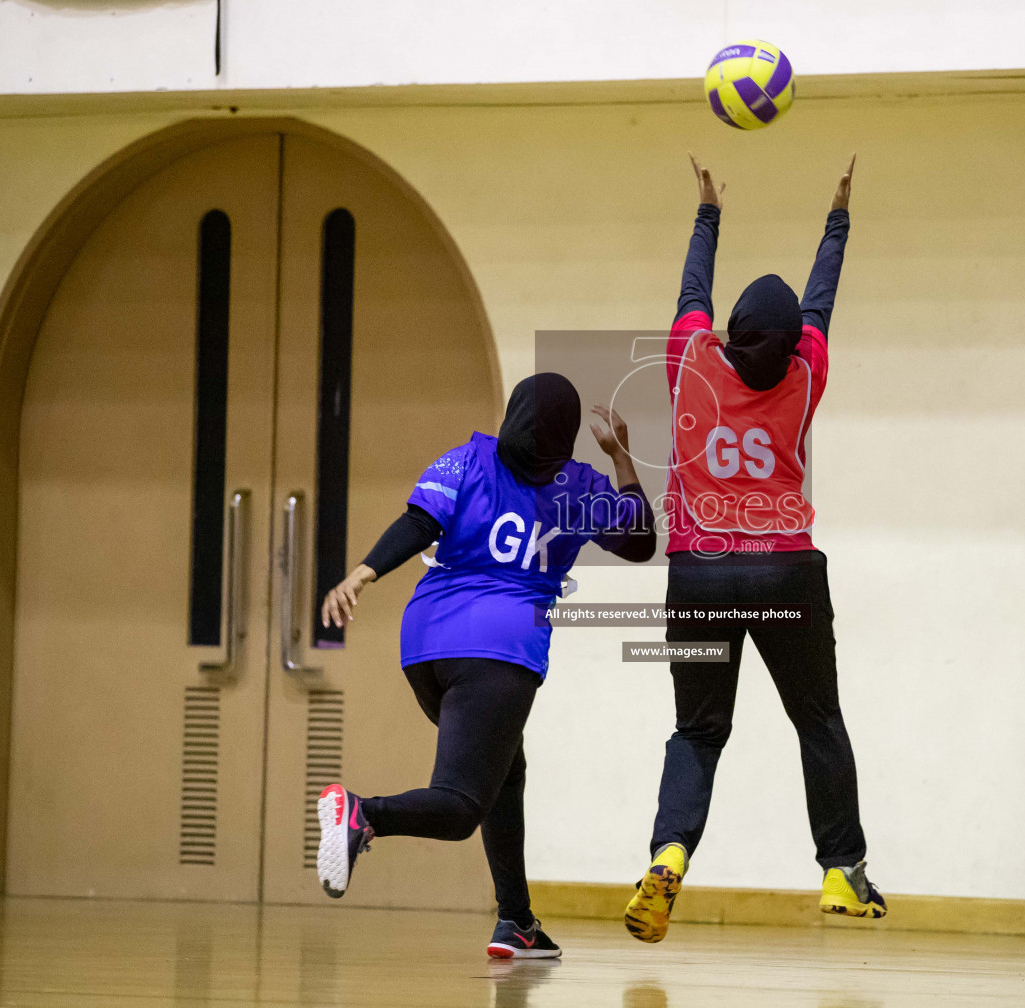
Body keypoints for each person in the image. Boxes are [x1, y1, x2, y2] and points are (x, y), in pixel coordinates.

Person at [624, 155, 886, 944]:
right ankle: (842, 872)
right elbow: (821, 305)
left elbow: (690, 294)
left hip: (700, 574)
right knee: (817, 720)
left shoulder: (691, 364)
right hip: (784, 572)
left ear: (732, 336)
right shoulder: (805, 376)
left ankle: (668, 855)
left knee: (698, 732)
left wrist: (708, 213)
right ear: (791, 343)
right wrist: (837, 221)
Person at [315, 372, 655, 960]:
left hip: (425, 644)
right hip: (497, 650)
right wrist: (621, 456)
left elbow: (418, 524)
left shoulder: (465, 459)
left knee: (505, 775)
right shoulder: (577, 485)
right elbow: (641, 540)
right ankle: (363, 814)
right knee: (460, 806)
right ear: (566, 435)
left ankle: (517, 922)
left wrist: (363, 573)